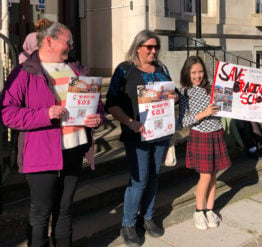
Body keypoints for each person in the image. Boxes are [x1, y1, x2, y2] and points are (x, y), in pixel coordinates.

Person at [0, 21, 104, 246]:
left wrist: (97, 118)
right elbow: (7, 114)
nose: (72, 47)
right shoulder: (24, 72)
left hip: (74, 150)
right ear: (50, 41)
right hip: (41, 154)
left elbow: (96, 105)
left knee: (65, 210)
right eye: (68, 42)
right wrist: (44, 114)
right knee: (40, 215)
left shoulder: (75, 68)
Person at [105, 30, 178, 247]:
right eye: (149, 47)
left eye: (156, 47)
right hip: (136, 134)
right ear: (138, 47)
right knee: (139, 180)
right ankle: (128, 224)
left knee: (154, 176)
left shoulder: (162, 69)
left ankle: (146, 218)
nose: (154, 51)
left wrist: (173, 97)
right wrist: (129, 122)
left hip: (160, 133)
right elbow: (111, 103)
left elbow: (171, 94)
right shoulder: (124, 69)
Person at [179, 56, 231, 230]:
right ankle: (198, 211)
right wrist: (204, 113)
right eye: (193, 72)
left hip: (216, 133)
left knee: (214, 173)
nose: (198, 76)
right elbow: (183, 121)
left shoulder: (212, 88)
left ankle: (210, 210)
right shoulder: (185, 92)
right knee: (205, 175)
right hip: (200, 136)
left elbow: (225, 107)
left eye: (200, 71)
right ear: (187, 73)